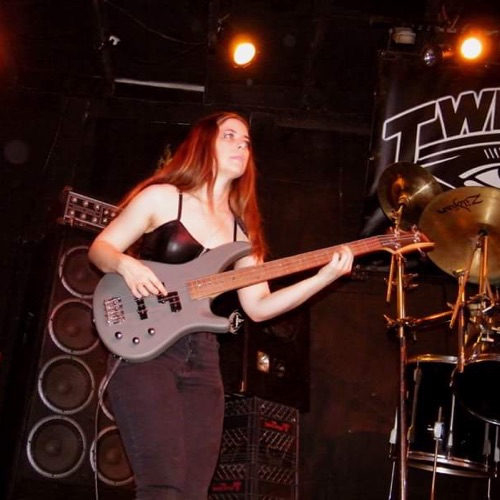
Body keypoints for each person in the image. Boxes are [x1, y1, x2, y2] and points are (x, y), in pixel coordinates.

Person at [88, 111, 353, 500]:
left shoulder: (242, 234)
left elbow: (258, 306)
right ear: (203, 142)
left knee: (194, 490)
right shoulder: (164, 198)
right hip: (147, 348)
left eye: (246, 142)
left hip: (203, 358)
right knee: (162, 484)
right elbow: (100, 249)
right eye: (230, 136)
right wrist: (126, 264)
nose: (241, 146)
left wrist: (322, 278)